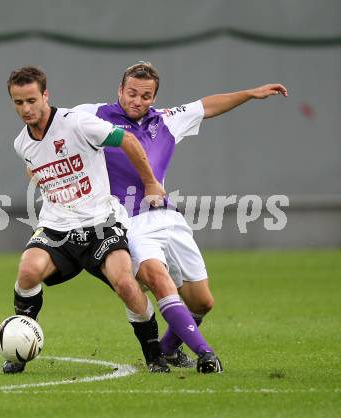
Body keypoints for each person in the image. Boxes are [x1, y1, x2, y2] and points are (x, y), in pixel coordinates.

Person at [75, 62, 288, 370]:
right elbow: (55, 123)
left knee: (202, 302)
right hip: (126, 222)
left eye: (145, 96)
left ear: (154, 97)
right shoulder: (92, 115)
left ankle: (169, 350)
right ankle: (206, 354)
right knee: (159, 279)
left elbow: (207, 106)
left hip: (167, 218)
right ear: (120, 90)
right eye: (131, 93)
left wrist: (250, 94)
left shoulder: (165, 121)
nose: (137, 101)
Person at [5, 65, 213, 375]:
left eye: (32, 100)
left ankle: (155, 353)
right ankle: (21, 340)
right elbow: (37, 167)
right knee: (27, 270)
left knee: (127, 286)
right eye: (18, 102)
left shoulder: (76, 122)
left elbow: (128, 141)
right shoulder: (22, 143)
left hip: (101, 223)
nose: (26, 108)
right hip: (58, 228)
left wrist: (151, 183)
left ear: (45, 95)